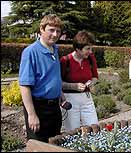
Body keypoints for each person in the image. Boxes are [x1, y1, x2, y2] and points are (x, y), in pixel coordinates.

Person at [19, 14, 68, 143]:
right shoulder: (30, 52)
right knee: (39, 146)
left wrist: (61, 95)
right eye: (51, 30)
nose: (55, 34)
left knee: (54, 144)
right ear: (41, 29)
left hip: (54, 108)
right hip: (38, 108)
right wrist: (31, 114)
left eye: (58, 31)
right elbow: (24, 86)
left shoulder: (54, 49)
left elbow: (53, 76)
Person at [60, 30, 99, 132]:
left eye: (91, 48)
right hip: (70, 100)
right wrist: (74, 86)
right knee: (73, 132)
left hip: (87, 98)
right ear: (77, 49)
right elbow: (58, 83)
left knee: (94, 128)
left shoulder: (90, 59)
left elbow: (95, 76)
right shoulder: (65, 61)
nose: (90, 51)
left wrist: (91, 82)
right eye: (87, 49)